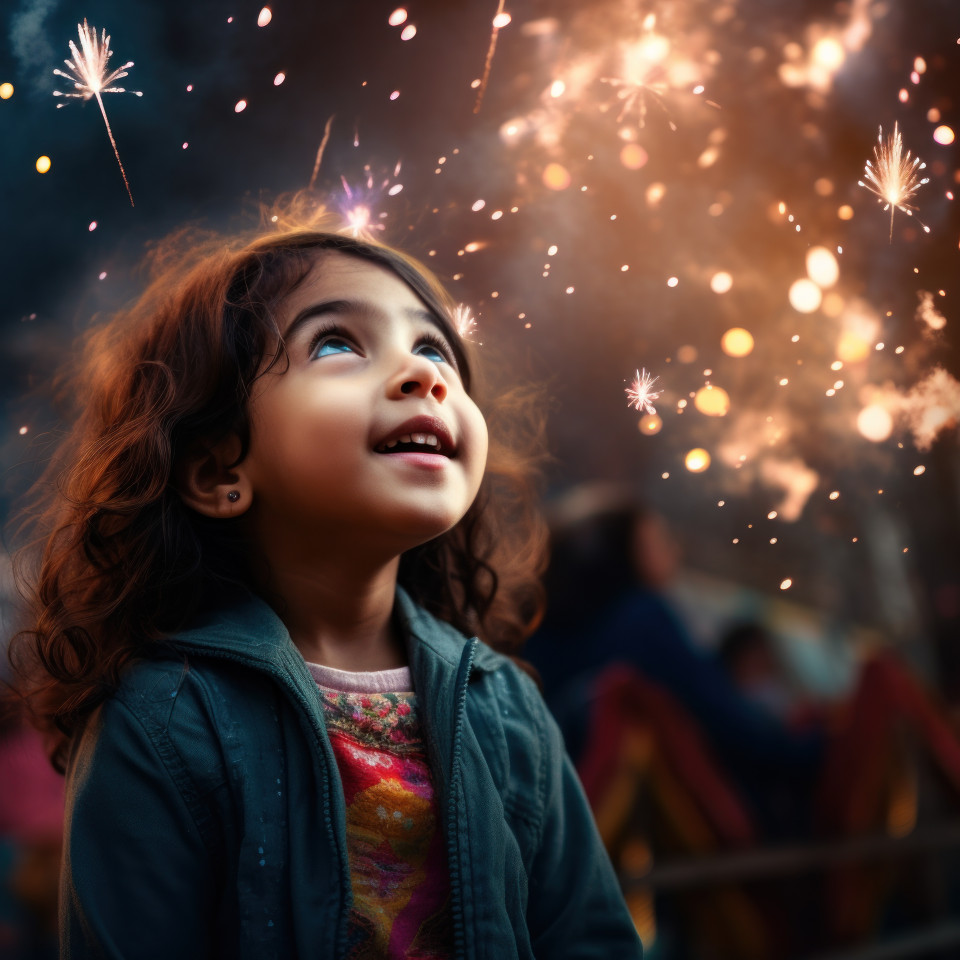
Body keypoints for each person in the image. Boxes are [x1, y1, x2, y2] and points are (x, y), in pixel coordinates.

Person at [7, 221, 643, 958]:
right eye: (337, 344)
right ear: (218, 471)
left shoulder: (506, 708)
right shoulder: (161, 722)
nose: (424, 375)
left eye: (434, 348)